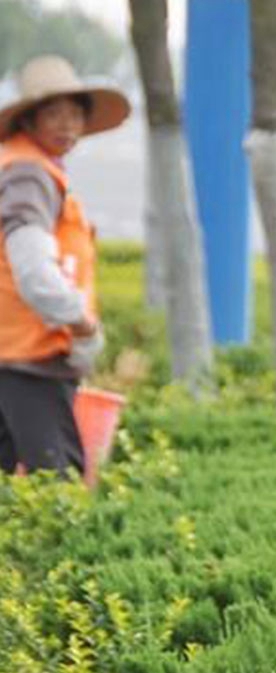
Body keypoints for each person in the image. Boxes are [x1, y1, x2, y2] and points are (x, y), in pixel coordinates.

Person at [0, 55, 130, 480]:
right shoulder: (28, 176)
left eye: (75, 115)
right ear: (29, 120)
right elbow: (34, 270)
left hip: (13, 352)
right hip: (30, 356)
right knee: (58, 486)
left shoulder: (25, 166)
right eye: (53, 114)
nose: (67, 125)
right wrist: (83, 327)